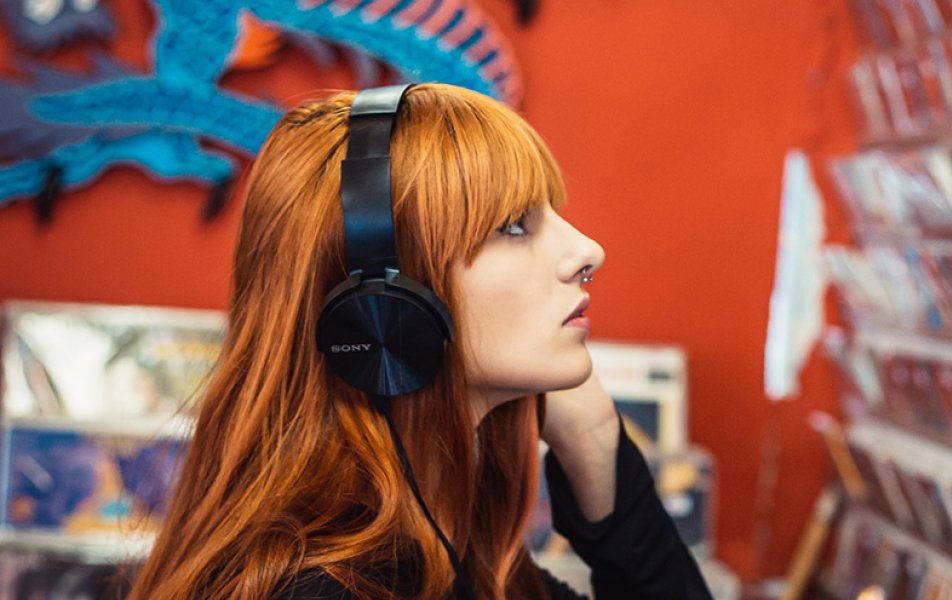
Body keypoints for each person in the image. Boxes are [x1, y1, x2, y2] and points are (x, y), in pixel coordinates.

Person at [127, 83, 711, 599]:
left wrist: (592, 437)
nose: (588, 251)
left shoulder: (463, 560)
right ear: (383, 305)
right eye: (513, 226)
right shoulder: (328, 588)